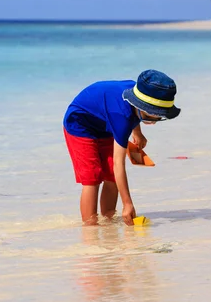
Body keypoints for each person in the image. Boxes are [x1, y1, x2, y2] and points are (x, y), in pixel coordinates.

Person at [63, 69, 181, 226]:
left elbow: (133, 113)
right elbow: (119, 163)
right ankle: (90, 226)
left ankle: (109, 218)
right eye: (151, 116)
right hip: (79, 124)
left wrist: (137, 133)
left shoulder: (142, 90)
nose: (154, 121)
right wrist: (127, 203)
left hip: (104, 122)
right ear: (140, 105)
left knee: (111, 174)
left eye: (160, 117)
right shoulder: (121, 117)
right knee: (92, 177)